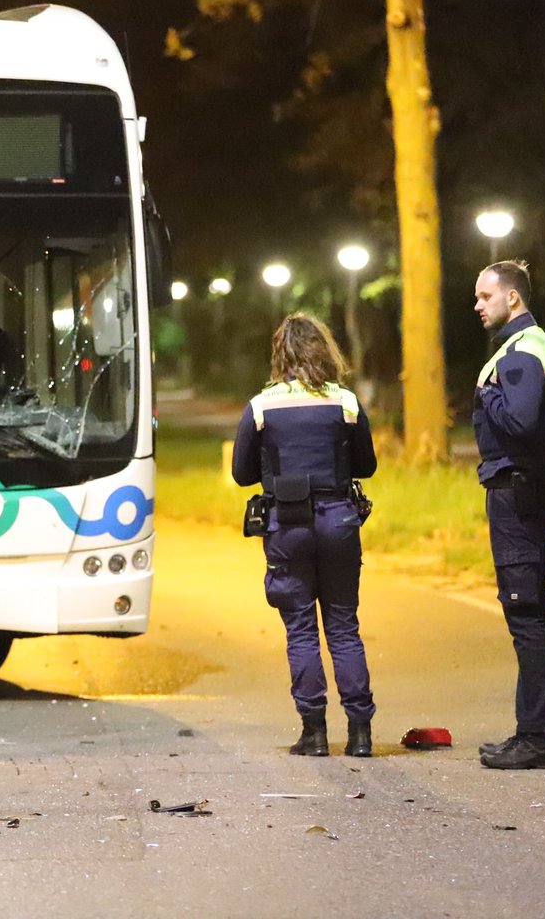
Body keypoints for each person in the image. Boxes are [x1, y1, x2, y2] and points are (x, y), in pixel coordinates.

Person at [231, 313, 377, 758]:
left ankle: (314, 734)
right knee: (343, 626)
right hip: (338, 521)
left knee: (300, 630)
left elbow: (241, 474)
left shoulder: (262, 406)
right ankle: (360, 734)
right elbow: (366, 466)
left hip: (287, 525)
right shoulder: (346, 402)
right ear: (324, 351)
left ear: (281, 355)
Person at [472, 260, 545, 770]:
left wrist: (486, 395)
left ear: (513, 298)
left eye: (486, 296)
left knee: (525, 613)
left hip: (518, 488)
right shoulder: (539, 347)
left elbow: (520, 420)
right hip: (532, 486)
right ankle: (532, 731)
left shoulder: (522, 351)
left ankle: (536, 738)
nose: (478, 305)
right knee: (531, 611)